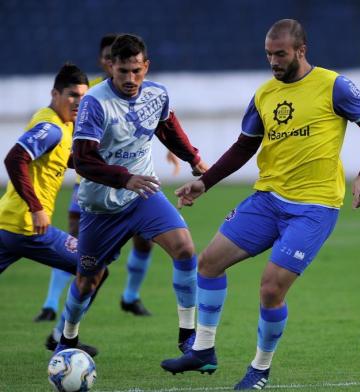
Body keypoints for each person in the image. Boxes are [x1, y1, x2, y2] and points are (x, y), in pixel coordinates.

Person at [160, 19, 360, 389]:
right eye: (268, 54)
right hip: (267, 199)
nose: (273, 62)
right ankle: (203, 350)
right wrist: (205, 182)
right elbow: (244, 146)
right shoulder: (265, 94)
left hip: (314, 207)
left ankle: (260, 369)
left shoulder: (334, 86)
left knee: (270, 289)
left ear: (301, 51)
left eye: (280, 54)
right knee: (209, 262)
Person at [53, 34, 208, 355]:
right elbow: (83, 160)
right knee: (86, 281)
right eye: (123, 71)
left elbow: (167, 127)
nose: (130, 79)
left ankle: (188, 334)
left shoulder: (156, 93)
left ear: (145, 66)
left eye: (136, 70)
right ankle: (67, 338)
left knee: (184, 249)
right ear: (111, 67)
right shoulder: (95, 103)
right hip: (101, 206)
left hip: (143, 195)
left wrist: (193, 158)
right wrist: (125, 178)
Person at [34, 34, 181, 322]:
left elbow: (148, 125)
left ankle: (130, 296)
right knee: (77, 247)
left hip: (131, 182)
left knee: (143, 240)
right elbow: (65, 130)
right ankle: (52, 305)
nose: (114, 66)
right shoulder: (88, 93)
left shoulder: (134, 89)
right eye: (106, 59)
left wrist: (175, 151)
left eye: (133, 68)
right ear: (107, 62)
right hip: (89, 182)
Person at [0, 64, 103, 356]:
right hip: (27, 227)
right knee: (94, 268)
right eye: (71, 95)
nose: (78, 102)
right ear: (55, 93)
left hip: (6, 223)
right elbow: (14, 159)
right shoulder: (52, 127)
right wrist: (36, 207)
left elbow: (62, 159)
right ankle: (64, 338)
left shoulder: (61, 124)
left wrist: (102, 169)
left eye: (83, 96)